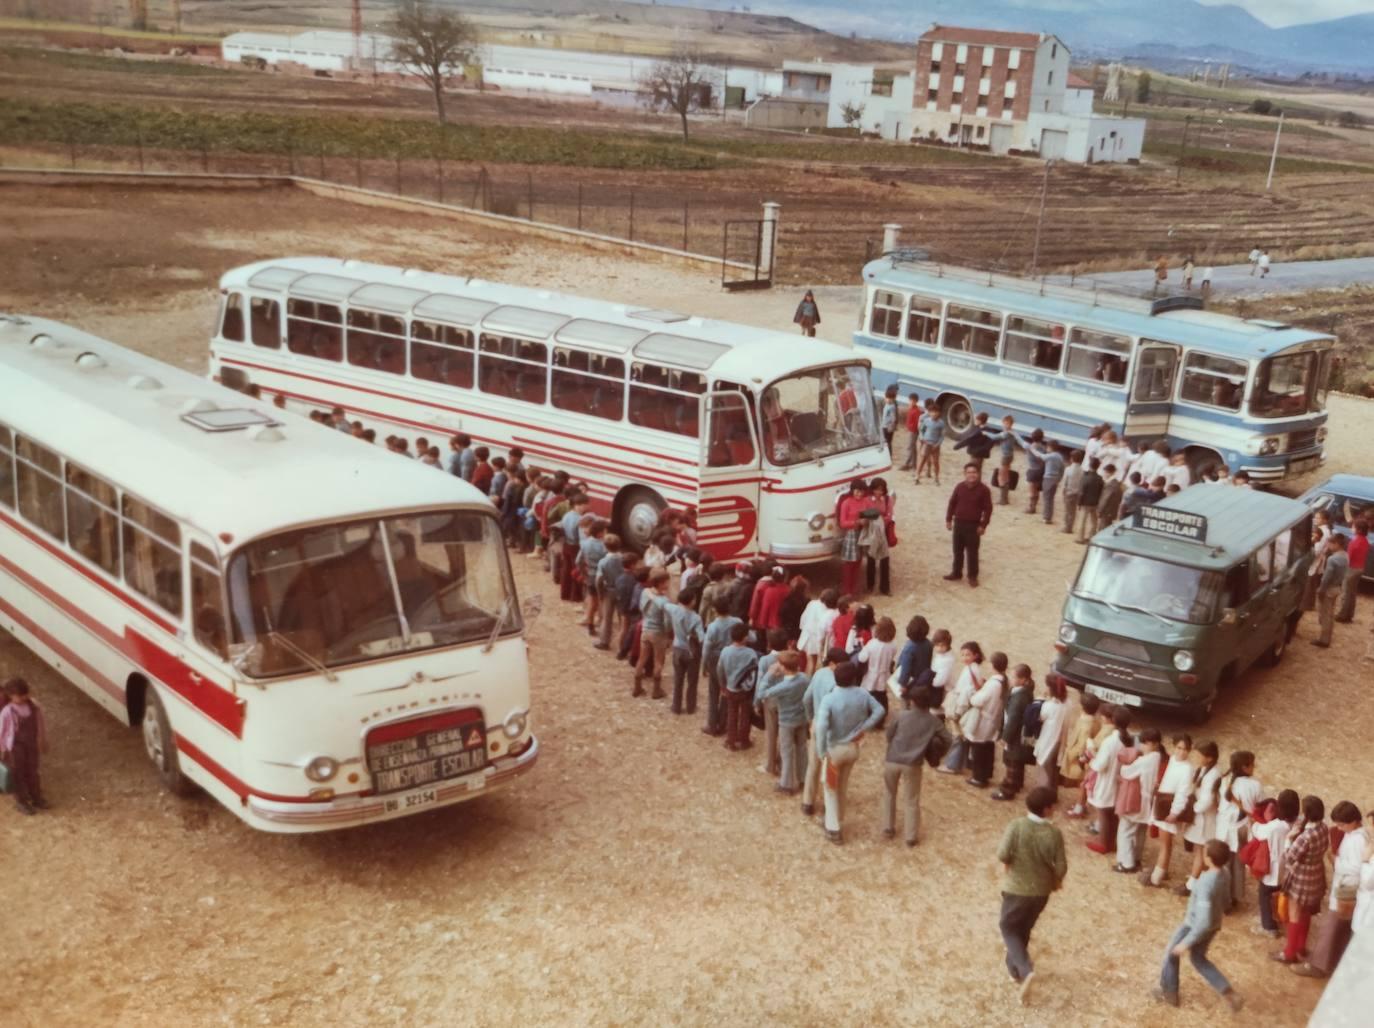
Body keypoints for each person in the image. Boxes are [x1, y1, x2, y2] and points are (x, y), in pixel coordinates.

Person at [996, 786, 1068, 1005]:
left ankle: (1025, 969)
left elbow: (1002, 854)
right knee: (1023, 928)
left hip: (1016, 888)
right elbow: (1061, 866)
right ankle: (1015, 970)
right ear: (1047, 810)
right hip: (1041, 892)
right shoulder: (1054, 833)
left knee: (1008, 927)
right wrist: (1055, 881)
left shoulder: (1017, 826)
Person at [1154, 840, 1245, 1011]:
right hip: (1214, 924)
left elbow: (1202, 922)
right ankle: (1228, 992)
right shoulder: (1225, 873)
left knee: (1171, 953)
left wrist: (1185, 943)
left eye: (1204, 853)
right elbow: (1226, 900)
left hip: (1194, 926)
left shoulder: (1205, 883)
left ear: (1209, 859)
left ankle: (1169, 992)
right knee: (1199, 959)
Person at [814, 661, 883, 844]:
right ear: (854, 678)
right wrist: (864, 728)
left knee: (830, 788)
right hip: (853, 748)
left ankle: (833, 828)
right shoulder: (862, 693)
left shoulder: (829, 698)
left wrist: (821, 751)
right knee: (842, 785)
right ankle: (837, 817)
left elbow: (821, 727)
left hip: (834, 749)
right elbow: (879, 710)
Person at [1297, 801, 1366, 978]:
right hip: (1347, 887)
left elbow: (1358, 868)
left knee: (1332, 927)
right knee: (1339, 928)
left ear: (1353, 821)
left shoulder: (1358, 840)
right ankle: (1327, 961)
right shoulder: (1356, 835)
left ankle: (1319, 965)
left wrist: (1336, 861)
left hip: (1347, 887)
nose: (1339, 828)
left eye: (1342, 824)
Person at [881, 685, 951, 847]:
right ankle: (910, 836)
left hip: (893, 759)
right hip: (913, 763)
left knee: (889, 793)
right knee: (912, 799)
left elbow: (889, 735)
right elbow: (948, 739)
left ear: (912, 701)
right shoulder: (933, 721)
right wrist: (936, 752)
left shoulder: (901, 715)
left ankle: (887, 828)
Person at [1277, 795, 1329, 966]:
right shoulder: (1323, 828)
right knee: (1306, 912)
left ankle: (1289, 953)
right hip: (1315, 874)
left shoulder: (1305, 837)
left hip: (1301, 877)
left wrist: (1288, 840)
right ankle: (1300, 947)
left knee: (1294, 914)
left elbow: (1289, 858)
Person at [1142, 734, 1195, 889]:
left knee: (1165, 842)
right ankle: (1161, 869)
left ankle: (1157, 876)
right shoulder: (1171, 760)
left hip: (1170, 808)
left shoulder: (1187, 769)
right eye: (1179, 748)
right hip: (1161, 804)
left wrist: (1175, 812)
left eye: (1185, 749)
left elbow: (1183, 792)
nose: (1182, 752)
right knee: (1162, 840)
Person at [800, 647, 846, 818]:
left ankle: (807, 802)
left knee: (813, 764)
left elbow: (806, 698)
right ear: (833, 663)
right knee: (831, 768)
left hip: (817, 724)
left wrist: (810, 718)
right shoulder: (838, 683)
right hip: (831, 729)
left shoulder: (819, 673)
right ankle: (828, 804)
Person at [758, 650, 810, 795]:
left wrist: (769, 674)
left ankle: (786, 784)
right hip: (801, 718)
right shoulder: (804, 678)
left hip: (787, 721)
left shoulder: (784, 686)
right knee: (802, 748)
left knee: (787, 752)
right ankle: (803, 777)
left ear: (784, 667)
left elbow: (762, 693)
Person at [1216, 750, 1262, 912]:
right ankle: (1236, 896)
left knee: (1223, 865)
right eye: (1252, 764)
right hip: (1242, 828)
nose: (1254, 767)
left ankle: (1223, 900)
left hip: (1223, 828)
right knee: (1238, 864)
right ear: (1245, 767)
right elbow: (1258, 807)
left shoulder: (1225, 781)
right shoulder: (1255, 785)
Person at [1176, 742, 1223, 897]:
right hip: (1200, 817)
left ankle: (1191, 885)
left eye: (1200, 755)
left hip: (1205, 819)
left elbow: (1207, 800)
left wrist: (1193, 809)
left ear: (1209, 758)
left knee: (1201, 853)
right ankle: (1196, 880)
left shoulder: (1212, 775)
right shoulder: (1204, 770)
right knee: (1199, 851)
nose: (1197, 757)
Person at [1251, 790, 1300, 938]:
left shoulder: (1276, 826)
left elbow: (1258, 832)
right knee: (1281, 892)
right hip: (1291, 866)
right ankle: (1279, 916)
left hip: (1274, 865)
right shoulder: (1299, 822)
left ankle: (1269, 926)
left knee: (1264, 894)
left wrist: (1265, 819)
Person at [1086, 708, 1133, 855]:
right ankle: (1111, 842)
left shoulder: (1110, 741)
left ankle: (1103, 843)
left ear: (1113, 721)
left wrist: (1092, 756)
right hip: (1119, 780)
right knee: (1113, 813)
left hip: (1107, 779)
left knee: (1104, 812)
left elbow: (1100, 765)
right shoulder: (1129, 739)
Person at [1115, 727, 1162, 873]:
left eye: (1145, 743)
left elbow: (1127, 773)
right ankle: (1136, 858)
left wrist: (1124, 764)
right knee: (1140, 831)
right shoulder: (1157, 757)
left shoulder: (1144, 761)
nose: (1142, 746)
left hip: (1138, 798)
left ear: (1152, 744)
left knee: (1126, 830)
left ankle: (1126, 863)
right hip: (1148, 800)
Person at [0, 677, 48, 814]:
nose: (23, 698)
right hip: (15, 748)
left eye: (25, 695)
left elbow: (40, 724)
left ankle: (36, 797)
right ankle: (21, 801)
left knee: (33, 771)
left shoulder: (33, 707)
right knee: (17, 774)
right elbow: (2, 732)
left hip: (31, 745)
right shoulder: (7, 712)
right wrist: (3, 749)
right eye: (19, 696)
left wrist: (43, 740)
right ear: (10, 696)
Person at [938, 641, 984, 776]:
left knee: (957, 736)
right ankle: (964, 761)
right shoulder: (973, 668)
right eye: (963, 655)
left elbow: (966, 692)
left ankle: (952, 765)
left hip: (962, 706)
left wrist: (958, 711)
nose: (964, 657)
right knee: (962, 737)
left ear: (975, 655)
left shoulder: (971, 670)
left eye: (967, 655)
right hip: (964, 705)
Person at [944, 462, 993, 588]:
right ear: (965, 474)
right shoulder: (959, 487)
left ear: (978, 474)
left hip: (973, 525)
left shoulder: (984, 490)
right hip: (959, 523)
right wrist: (949, 519)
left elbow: (988, 509)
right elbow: (952, 503)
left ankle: (972, 576)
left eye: (974, 472)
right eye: (969, 472)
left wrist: (983, 525)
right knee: (957, 550)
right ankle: (956, 573)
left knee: (972, 552)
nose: (972, 475)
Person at [992, 663, 1035, 802]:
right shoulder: (1019, 691)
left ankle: (1008, 790)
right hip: (1018, 733)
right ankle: (1017, 783)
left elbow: (1013, 720)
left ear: (1023, 679)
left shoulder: (1020, 697)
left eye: (1013, 676)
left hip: (1015, 735)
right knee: (1016, 761)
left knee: (1013, 760)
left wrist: (1005, 737)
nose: (1010, 678)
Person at [965, 651, 1008, 789]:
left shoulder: (993, 683)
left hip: (985, 718)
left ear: (993, 665)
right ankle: (986, 774)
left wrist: (973, 697)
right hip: (994, 718)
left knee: (979, 748)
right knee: (988, 747)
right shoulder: (1004, 680)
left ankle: (979, 777)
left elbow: (979, 700)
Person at [701, 596, 741, 737]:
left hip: (716, 658)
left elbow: (707, 647)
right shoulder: (737, 622)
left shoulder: (713, 626)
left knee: (713, 691)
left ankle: (711, 724)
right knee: (727, 689)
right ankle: (723, 723)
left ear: (715, 610)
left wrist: (704, 664)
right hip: (732, 657)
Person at [632, 567, 672, 700]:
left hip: (645, 629)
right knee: (658, 661)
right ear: (661, 583)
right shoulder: (664, 601)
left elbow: (641, 607)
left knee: (642, 659)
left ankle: (637, 687)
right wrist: (668, 635)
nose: (668, 584)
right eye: (666, 582)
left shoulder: (645, 592)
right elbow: (667, 622)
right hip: (658, 633)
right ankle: (656, 690)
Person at [719, 622, 759, 751]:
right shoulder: (751, 653)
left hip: (730, 688)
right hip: (745, 689)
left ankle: (730, 740)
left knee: (732, 714)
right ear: (745, 638)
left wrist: (722, 685)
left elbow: (720, 669)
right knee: (745, 715)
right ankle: (744, 740)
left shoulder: (725, 651)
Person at [668, 586, 706, 716]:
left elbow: (663, 604)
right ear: (692, 601)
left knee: (678, 679)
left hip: (677, 647)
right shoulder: (696, 618)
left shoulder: (674, 610)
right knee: (692, 681)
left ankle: (676, 706)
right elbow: (702, 638)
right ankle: (690, 706)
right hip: (691, 651)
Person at [856, 615, 898, 721]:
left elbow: (862, 658)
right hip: (884, 674)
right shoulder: (893, 645)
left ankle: (868, 715)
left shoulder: (872, 643)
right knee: (882, 696)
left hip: (871, 673)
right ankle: (882, 716)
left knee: (869, 695)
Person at [1032, 674, 1068, 794]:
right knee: (1052, 768)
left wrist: (1040, 699)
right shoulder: (1066, 704)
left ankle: (1044, 791)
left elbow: (1040, 718)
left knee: (1045, 767)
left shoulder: (1049, 706)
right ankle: (1052, 791)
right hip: (1058, 739)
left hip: (1048, 738)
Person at [1313, 534, 1349, 648]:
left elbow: (1326, 577)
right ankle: (1326, 637)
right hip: (1337, 587)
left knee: (1325, 614)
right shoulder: (1345, 556)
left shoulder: (1332, 559)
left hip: (1329, 588)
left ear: (1337, 544)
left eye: (1330, 543)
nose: (1328, 545)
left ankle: (1324, 640)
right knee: (1330, 613)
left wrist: (1321, 590)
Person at [836, 479, 870, 598]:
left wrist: (866, 522)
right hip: (851, 534)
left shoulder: (865, 502)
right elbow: (842, 523)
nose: (859, 494)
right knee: (848, 564)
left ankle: (854, 589)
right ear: (852, 490)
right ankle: (847, 591)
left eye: (861, 492)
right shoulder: (846, 503)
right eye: (857, 491)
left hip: (862, 533)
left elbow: (869, 516)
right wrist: (856, 522)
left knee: (858, 562)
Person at [862, 477, 895, 596]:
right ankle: (870, 586)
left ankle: (884, 588)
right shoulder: (867, 500)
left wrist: (876, 518)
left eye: (881, 490)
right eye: (876, 490)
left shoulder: (887, 499)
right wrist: (880, 517)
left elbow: (889, 515)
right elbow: (864, 514)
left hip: (883, 531)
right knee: (871, 559)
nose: (878, 492)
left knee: (884, 559)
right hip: (872, 532)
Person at [797, 588, 839, 674]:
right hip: (817, 636)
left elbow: (803, 618)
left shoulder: (812, 604)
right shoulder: (830, 611)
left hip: (808, 633)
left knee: (810, 661)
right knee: (812, 662)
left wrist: (802, 628)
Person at [1337, 519, 1369, 623]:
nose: (1352, 528)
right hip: (1360, 568)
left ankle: (1342, 615)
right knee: (1352, 593)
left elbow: (1348, 558)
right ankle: (1349, 614)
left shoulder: (1354, 542)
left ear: (1358, 530)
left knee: (1346, 592)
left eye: (1353, 527)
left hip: (1351, 568)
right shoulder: (1365, 541)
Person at [893, 616, 933, 698]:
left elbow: (905, 668)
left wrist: (903, 684)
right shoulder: (928, 643)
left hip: (910, 682)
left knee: (906, 703)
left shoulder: (909, 648)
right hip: (922, 678)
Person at [916, 403, 946, 485]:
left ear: (939, 413)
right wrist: (922, 438)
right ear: (929, 412)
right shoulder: (926, 421)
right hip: (926, 443)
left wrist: (937, 444)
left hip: (935, 445)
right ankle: (917, 477)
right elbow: (921, 430)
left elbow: (942, 436)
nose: (934, 414)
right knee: (922, 460)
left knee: (935, 462)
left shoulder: (941, 423)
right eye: (932, 412)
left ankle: (936, 478)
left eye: (936, 412)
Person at [1060, 450, 1085, 535]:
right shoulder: (1082, 470)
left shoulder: (1068, 469)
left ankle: (1067, 527)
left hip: (1069, 492)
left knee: (1067, 511)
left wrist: (1063, 491)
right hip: (1077, 493)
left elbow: (1064, 482)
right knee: (1073, 511)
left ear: (1071, 459)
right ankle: (1070, 526)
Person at [900, 393, 922, 471]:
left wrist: (913, 429)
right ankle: (911, 464)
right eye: (910, 401)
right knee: (911, 447)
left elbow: (917, 423)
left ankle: (910, 464)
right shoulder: (911, 409)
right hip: (911, 431)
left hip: (914, 432)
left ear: (916, 401)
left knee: (911, 448)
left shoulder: (916, 411)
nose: (911, 402)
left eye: (913, 401)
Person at [880, 384, 899, 455]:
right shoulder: (886, 404)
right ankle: (885, 452)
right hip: (884, 424)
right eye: (886, 398)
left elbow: (894, 418)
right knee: (884, 440)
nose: (887, 399)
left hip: (888, 426)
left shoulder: (892, 406)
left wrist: (892, 426)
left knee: (888, 441)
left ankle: (888, 454)